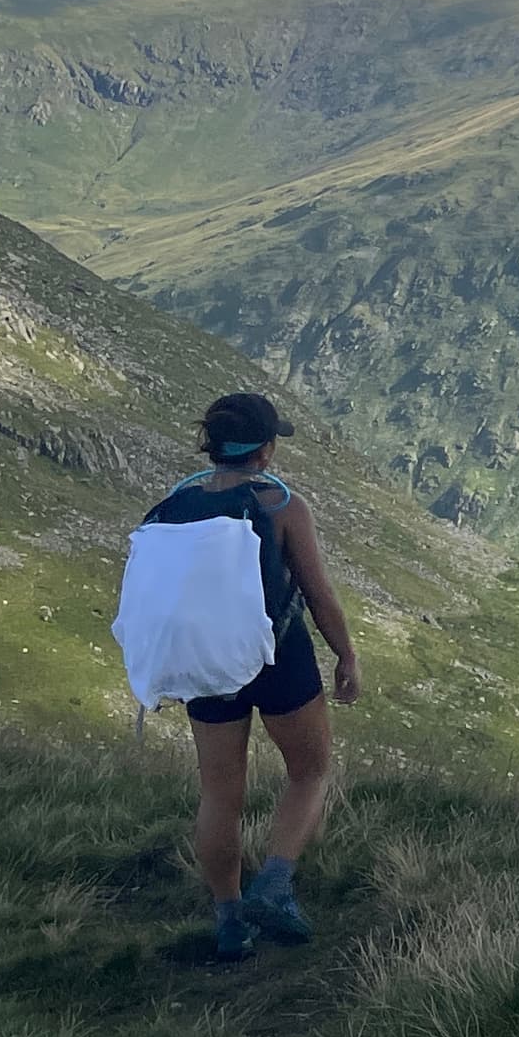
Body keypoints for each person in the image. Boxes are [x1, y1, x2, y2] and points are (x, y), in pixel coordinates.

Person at [151, 391, 363, 961]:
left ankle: (229, 921)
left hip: (207, 664)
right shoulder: (282, 506)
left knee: (220, 795)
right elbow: (319, 595)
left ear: (214, 446)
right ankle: (274, 884)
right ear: (265, 450)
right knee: (310, 771)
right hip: (278, 656)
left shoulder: (177, 505)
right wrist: (345, 655)